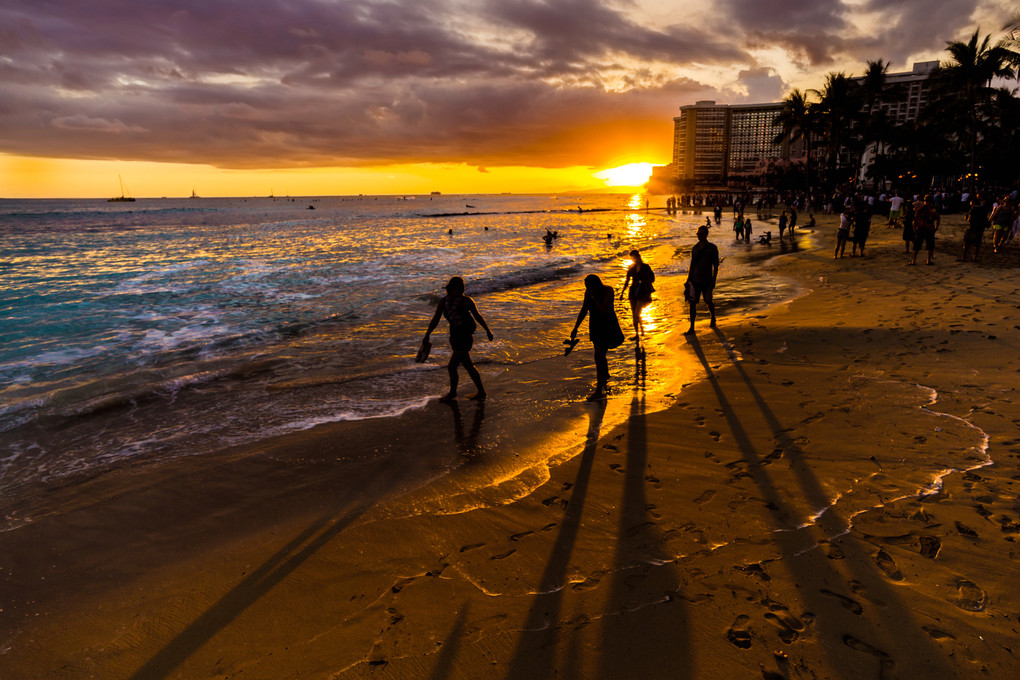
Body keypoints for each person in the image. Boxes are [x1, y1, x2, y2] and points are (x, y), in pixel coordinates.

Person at [423, 277, 494, 401]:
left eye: (463, 286)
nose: (463, 288)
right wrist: (427, 334)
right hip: (455, 337)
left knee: (454, 366)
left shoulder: (466, 301)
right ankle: (479, 392)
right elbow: (435, 319)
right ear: (453, 288)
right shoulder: (444, 302)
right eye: (460, 286)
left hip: (465, 336)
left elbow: (477, 316)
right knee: (466, 365)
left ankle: (455, 393)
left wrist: (488, 331)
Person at [570, 274, 624, 401]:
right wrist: (576, 327)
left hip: (607, 324)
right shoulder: (588, 292)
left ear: (596, 284)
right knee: (599, 355)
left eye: (589, 286)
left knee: (599, 355)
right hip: (595, 325)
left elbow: (605, 310)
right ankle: (604, 377)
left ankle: (599, 389)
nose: (588, 289)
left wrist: (593, 298)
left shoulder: (608, 290)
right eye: (586, 287)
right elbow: (584, 309)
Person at [685, 225, 719, 334]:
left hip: (707, 280)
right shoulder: (695, 248)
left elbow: (716, 266)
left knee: (708, 301)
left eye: (701, 234)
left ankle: (713, 317)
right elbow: (692, 264)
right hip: (694, 280)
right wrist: (688, 279)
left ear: (706, 235)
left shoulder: (712, 248)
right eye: (698, 234)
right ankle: (692, 327)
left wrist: (713, 280)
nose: (699, 236)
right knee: (692, 303)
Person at [619, 249, 655, 340]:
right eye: (633, 258)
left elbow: (652, 279)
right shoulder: (631, 268)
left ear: (639, 256)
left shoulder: (646, 267)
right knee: (634, 313)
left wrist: (643, 281)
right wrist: (622, 293)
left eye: (635, 257)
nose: (634, 259)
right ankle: (637, 333)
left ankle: (639, 332)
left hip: (643, 292)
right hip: (633, 292)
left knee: (636, 314)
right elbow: (627, 281)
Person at [910, 194, 940, 265]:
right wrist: (936, 227)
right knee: (930, 245)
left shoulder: (921, 209)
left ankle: (913, 261)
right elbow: (938, 219)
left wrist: (914, 227)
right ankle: (928, 260)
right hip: (929, 229)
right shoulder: (932, 210)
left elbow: (915, 219)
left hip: (920, 228)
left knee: (917, 245)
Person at [961, 194, 990, 262]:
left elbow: (970, 219)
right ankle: (975, 257)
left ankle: (963, 257)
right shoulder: (984, 209)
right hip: (980, 228)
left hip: (972, 228)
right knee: (977, 244)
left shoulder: (973, 209)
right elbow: (985, 219)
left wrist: (967, 217)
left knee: (967, 243)